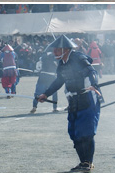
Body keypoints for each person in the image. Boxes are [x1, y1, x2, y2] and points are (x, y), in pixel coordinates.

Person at [38, 36, 102, 172]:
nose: (54, 52)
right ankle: (83, 162)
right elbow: (59, 81)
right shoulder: (61, 64)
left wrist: (95, 85)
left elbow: (92, 71)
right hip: (73, 101)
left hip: (88, 98)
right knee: (74, 132)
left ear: (66, 49)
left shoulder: (78, 57)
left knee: (86, 132)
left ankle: (88, 163)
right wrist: (46, 94)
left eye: (57, 49)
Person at [31, 49, 59, 114]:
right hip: (52, 77)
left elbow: (38, 67)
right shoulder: (56, 56)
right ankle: (55, 108)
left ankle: (34, 107)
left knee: (38, 91)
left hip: (43, 76)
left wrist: (37, 71)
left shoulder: (43, 56)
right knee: (54, 92)